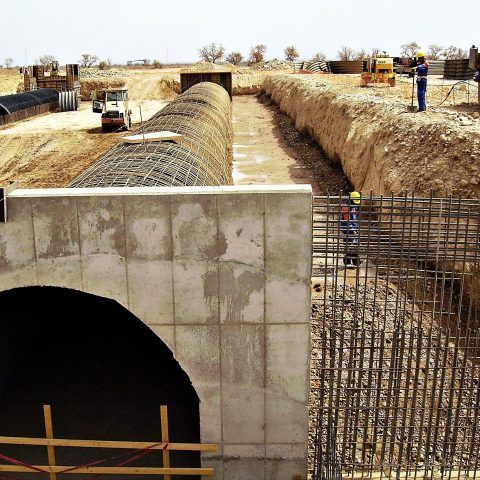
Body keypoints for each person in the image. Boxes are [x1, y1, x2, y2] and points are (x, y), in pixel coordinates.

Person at [340, 192, 361, 268]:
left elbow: (356, 217)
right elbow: (346, 220)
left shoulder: (356, 206)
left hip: (354, 227)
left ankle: (354, 259)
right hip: (347, 227)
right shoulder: (346, 207)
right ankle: (348, 259)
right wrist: (351, 229)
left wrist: (356, 228)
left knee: (355, 242)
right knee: (349, 242)